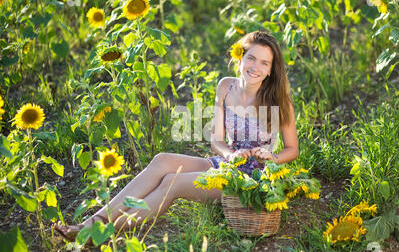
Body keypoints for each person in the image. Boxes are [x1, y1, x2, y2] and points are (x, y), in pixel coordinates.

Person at [54, 31, 299, 241]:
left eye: (264, 63)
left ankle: (100, 233)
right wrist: (230, 154)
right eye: (252, 58)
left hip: (250, 178)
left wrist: (271, 156)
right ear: (241, 57)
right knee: (162, 160)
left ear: (270, 70)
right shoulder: (226, 86)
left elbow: (292, 149)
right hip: (226, 164)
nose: (256, 67)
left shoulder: (279, 100)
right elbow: (216, 140)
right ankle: (94, 221)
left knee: (172, 182)